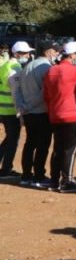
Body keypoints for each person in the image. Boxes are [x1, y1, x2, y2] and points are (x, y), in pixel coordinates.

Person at [43, 41, 76, 192]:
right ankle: (67, 181)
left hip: (55, 114)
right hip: (73, 115)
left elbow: (46, 95)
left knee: (57, 148)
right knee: (70, 149)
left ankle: (54, 180)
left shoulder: (51, 70)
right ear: (72, 55)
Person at [12, 41, 54, 187]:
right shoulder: (46, 67)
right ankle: (39, 176)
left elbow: (18, 90)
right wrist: (28, 106)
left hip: (28, 113)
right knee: (42, 145)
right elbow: (45, 93)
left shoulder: (28, 66)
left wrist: (22, 108)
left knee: (30, 143)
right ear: (48, 52)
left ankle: (26, 175)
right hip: (40, 112)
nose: (56, 53)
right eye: (54, 50)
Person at [0, 44, 21, 178]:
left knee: (10, 137)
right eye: (24, 53)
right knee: (13, 139)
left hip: (3, 108)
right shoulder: (14, 66)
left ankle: (6, 167)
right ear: (17, 54)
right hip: (11, 109)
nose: (27, 55)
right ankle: (6, 169)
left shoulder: (5, 65)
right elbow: (16, 90)